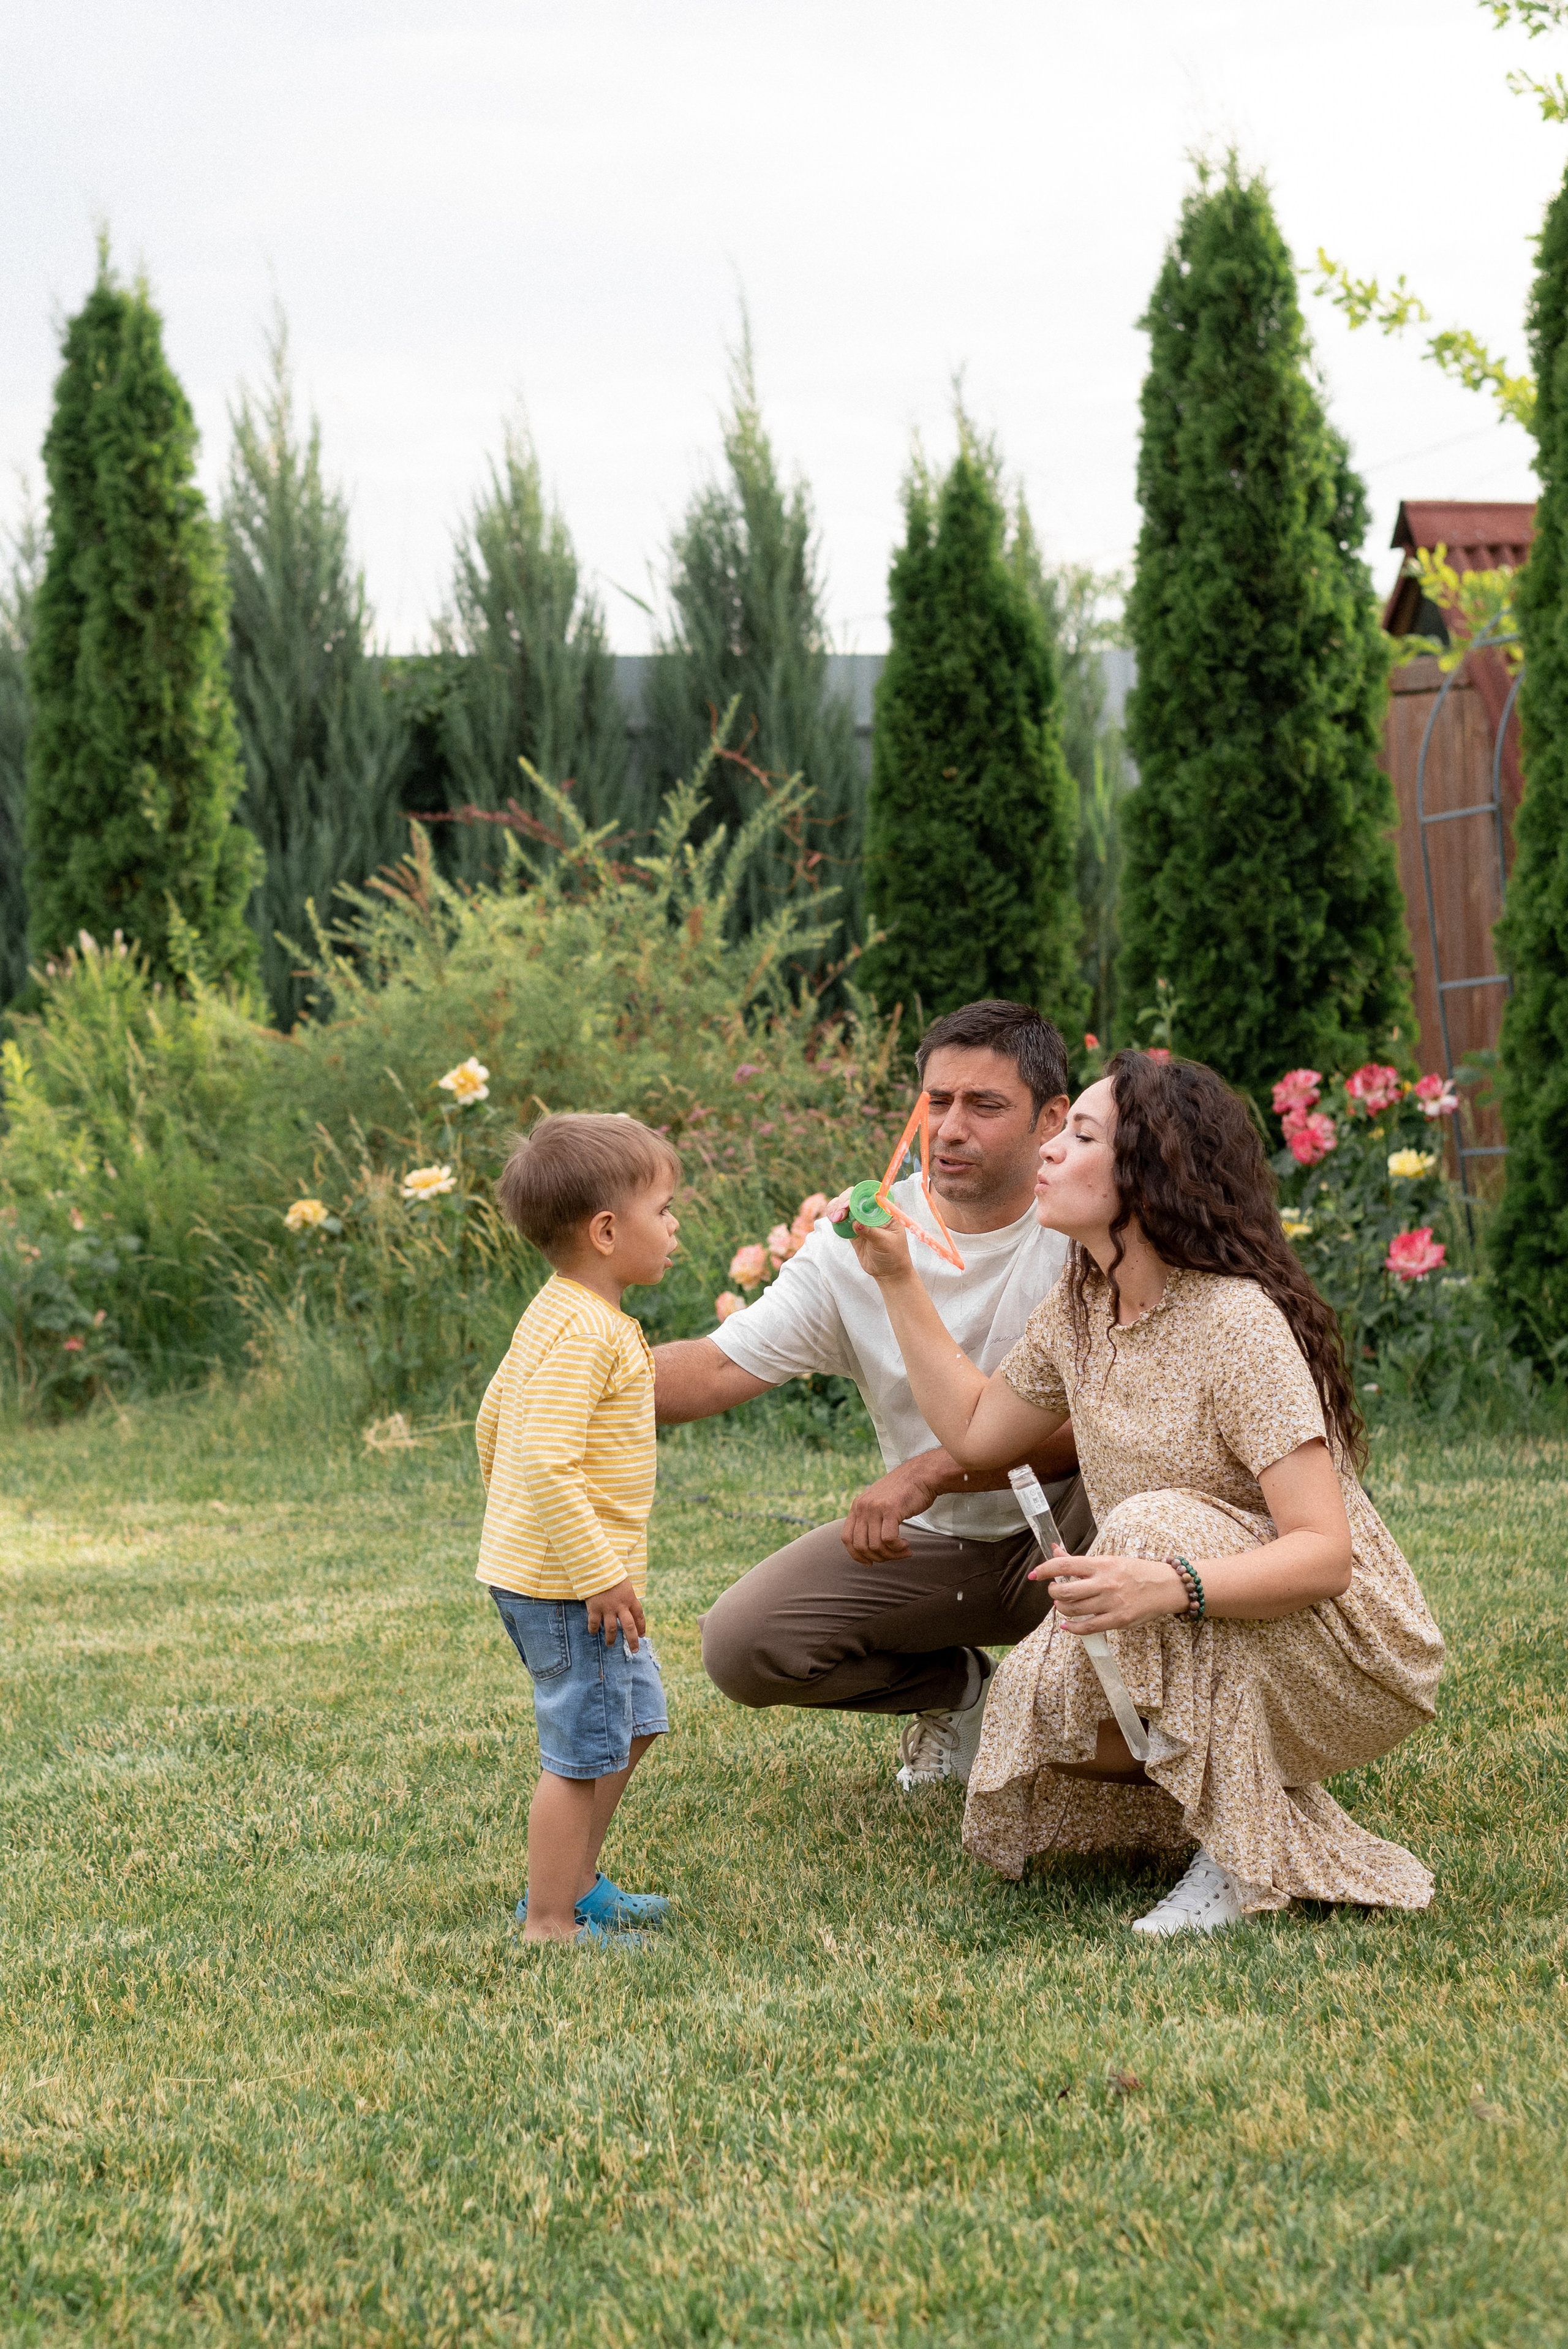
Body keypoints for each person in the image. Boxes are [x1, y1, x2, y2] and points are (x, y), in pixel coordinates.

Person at [845, 1049, 1445, 1935]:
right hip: (1191, 1605)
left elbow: (1325, 1555)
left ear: (1148, 1171)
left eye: (1082, 1136)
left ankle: (1240, 1856)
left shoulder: (1235, 1321)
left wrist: (1166, 1584)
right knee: (1032, 1714)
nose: (1050, 1149)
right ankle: (1236, 1795)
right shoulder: (1082, 1304)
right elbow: (973, 1430)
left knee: (1152, 1521)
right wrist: (896, 1274)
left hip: (1342, 1642)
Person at [655, 999, 1091, 1793]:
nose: (950, 1128)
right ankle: (963, 1694)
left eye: (985, 1105)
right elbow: (717, 1369)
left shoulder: (1089, 1228)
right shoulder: (862, 1238)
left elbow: (1119, 1423)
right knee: (744, 1644)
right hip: (934, 1544)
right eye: (938, 1101)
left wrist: (934, 1470)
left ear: (1052, 1119)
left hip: (1080, 1524)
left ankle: (1140, 1740)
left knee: (1164, 1501)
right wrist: (572, 1375)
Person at [477, 1112, 681, 1945]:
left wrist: (513, 1518)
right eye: (662, 1210)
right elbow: (544, 1457)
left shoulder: (557, 1312)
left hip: (560, 1571)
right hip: (570, 1586)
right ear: (606, 1231)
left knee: (633, 1724)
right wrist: (593, 1571)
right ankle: (551, 1922)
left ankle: (579, 1886)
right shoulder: (588, 1335)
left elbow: (493, 1420)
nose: (674, 1226)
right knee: (578, 1754)